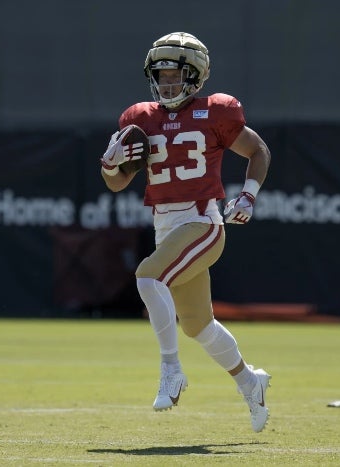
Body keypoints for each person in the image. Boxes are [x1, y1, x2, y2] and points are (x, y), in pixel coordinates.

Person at [100, 32, 272, 432]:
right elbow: (117, 182)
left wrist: (248, 196)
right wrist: (110, 166)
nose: (166, 83)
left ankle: (171, 370)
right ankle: (251, 381)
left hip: (202, 222)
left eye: (175, 75)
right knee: (197, 325)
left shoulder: (216, 112)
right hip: (167, 226)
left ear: (195, 76)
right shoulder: (140, 118)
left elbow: (258, 150)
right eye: (160, 75)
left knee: (147, 275)